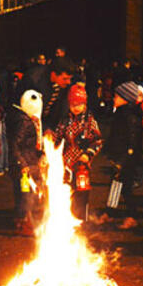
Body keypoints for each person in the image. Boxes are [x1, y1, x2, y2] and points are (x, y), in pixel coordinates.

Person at [53, 83, 103, 220]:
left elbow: (98, 141)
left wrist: (89, 154)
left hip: (81, 164)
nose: (76, 108)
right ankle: (65, 217)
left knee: (82, 192)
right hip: (66, 163)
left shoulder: (89, 122)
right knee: (65, 191)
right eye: (73, 104)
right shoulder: (65, 120)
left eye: (79, 104)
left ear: (84, 104)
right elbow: (57, 137)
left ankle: (81, 220)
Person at [105, 81, 143, 228]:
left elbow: (132, 142)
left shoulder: (130, 116)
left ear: (126, 98)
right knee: (115, 184)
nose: (114, 98)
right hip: (120, 156)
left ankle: (132, 215)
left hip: (127, 158)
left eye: (117, 96)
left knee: (126, 187)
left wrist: (122, 160)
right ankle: (110, 213)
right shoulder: (121, 113)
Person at [9, 89, 45, 236]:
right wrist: (22, 164)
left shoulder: (27, 120)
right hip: (25, 167)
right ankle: (24, 222)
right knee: (26, 194)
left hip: (28, 163)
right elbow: (15, 145)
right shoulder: (25, 123)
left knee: (25, 193)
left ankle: (22, 219)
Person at [18, 56, 75, 130]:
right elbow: (22, 110)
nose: (68, 82)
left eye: (70, 79)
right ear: (54, 74)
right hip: (27, 122)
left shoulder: (63, 85)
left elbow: (60, 110)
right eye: (65, 79)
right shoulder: (34, 80)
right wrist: (43, 129)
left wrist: (51, 129)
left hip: (47, 123)